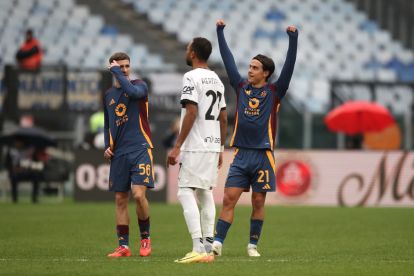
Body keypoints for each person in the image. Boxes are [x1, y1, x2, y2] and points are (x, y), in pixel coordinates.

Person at [212, 19, 298, 257]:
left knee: (258, 202)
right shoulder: (240, 87)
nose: (249, 70)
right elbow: (228, 60)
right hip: (241, 153)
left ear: (266, 73)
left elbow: (289, 67)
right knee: (229, 198)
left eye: (255, 68)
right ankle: (218, 242)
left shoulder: (275, 92)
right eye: (249, 67)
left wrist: (293, 39)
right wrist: (220, 32)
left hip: (263, 155)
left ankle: (252, 245)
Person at [167, 37, 227, 263]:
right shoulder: (217, 79)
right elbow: (223, 117)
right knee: (204, 192)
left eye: (187, 48)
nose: (185, 51)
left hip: (196, 145)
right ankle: (209, 247)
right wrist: (220, 147)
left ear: (193, 53)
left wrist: (177, 146)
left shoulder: (191, 77)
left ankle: (197, 248)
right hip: (212, 145)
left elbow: (191, 112)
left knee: (184, 191)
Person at [103, 52, 154, 258]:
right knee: (120, 199)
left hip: (141, 147)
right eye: (120, 67)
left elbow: (132, 93)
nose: (124, 70)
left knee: (139, 195)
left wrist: (116, 71)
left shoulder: (140, 85)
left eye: (126, 66)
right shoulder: (107, 95)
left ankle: (145, 238)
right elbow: (108, 123)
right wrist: (108, 145)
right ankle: (123, 246)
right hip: (119, 153)